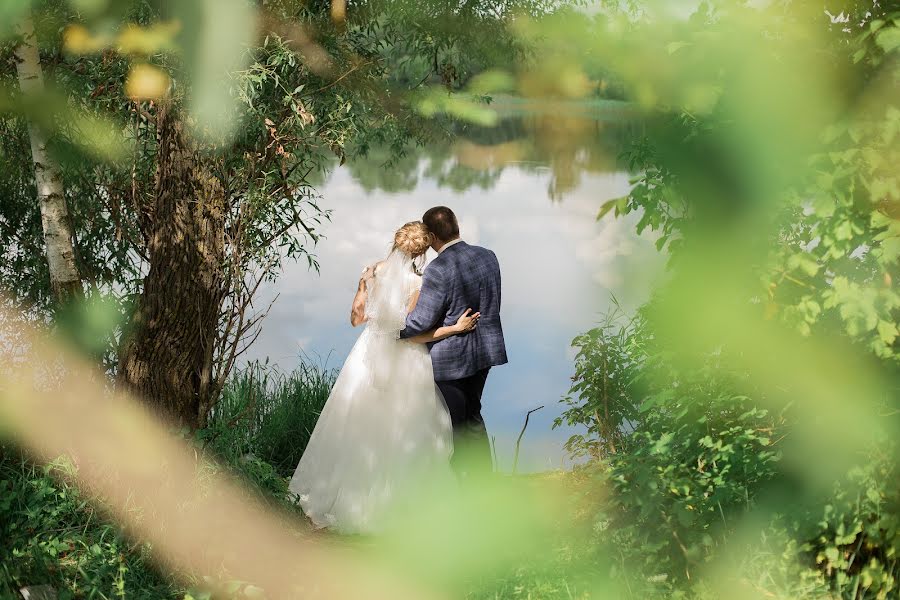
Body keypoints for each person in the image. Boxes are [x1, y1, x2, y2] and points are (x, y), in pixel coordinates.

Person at [288, 221, 478, 534]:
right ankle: (400, 505)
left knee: (357, 422)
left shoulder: (375, 272)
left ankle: (348, 496)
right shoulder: (419, 283)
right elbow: (412, 335)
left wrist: (362, 285)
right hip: (406, 361)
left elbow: (356, 320)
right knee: (406, 427)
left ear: (395, 245)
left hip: (368, 353)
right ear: (420, 253)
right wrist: (455, 329)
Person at [400, 206, 508, 478]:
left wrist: (393, 329)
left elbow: (421, 322)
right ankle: (484, 483)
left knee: (454, 426)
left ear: (432, 236)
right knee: (473, 415)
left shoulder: (438, 269)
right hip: (485, 352)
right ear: (456, 225)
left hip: (452, 360)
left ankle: (465, 492)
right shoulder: (488, 256)